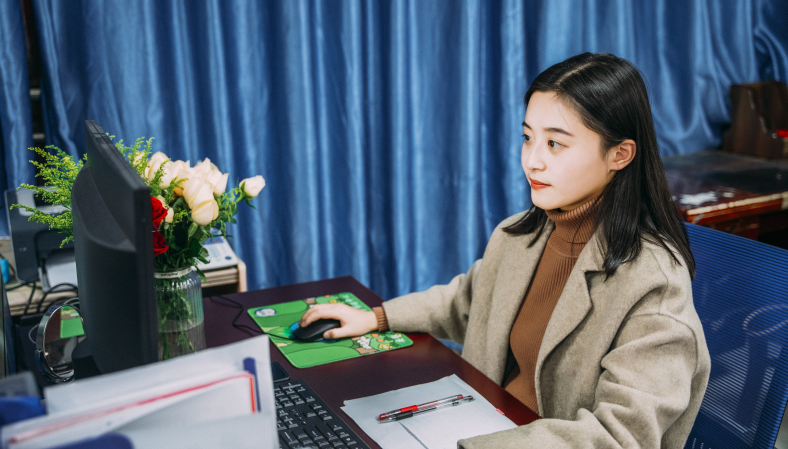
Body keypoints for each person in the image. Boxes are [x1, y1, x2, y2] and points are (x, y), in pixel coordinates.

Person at [300, 52, 711, 448]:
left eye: (555, 144)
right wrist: (375, 317)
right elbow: (466, 303)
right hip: (481, 421)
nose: (532, 161)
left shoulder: (654, 285)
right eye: (528, 138)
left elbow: (621, 438)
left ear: (619, 154)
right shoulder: (520, 235)